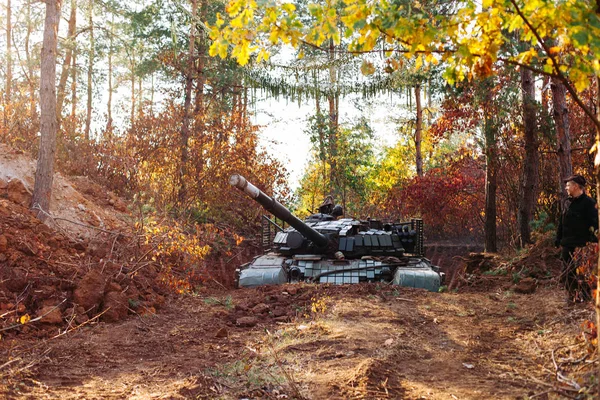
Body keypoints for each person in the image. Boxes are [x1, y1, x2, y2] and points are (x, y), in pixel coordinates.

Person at [555, 174, 598, 301]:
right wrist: (558, 239)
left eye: (568, 185)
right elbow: (562, 222)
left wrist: (592, 243)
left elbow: (595, 225)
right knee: (568, 274)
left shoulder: (589, 203)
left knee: (582, 274)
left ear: (576, 186)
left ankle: (584, 298)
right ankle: (572, 297)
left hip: (582, 246)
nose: (566, 188)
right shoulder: (568, 203)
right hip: (567, 245)